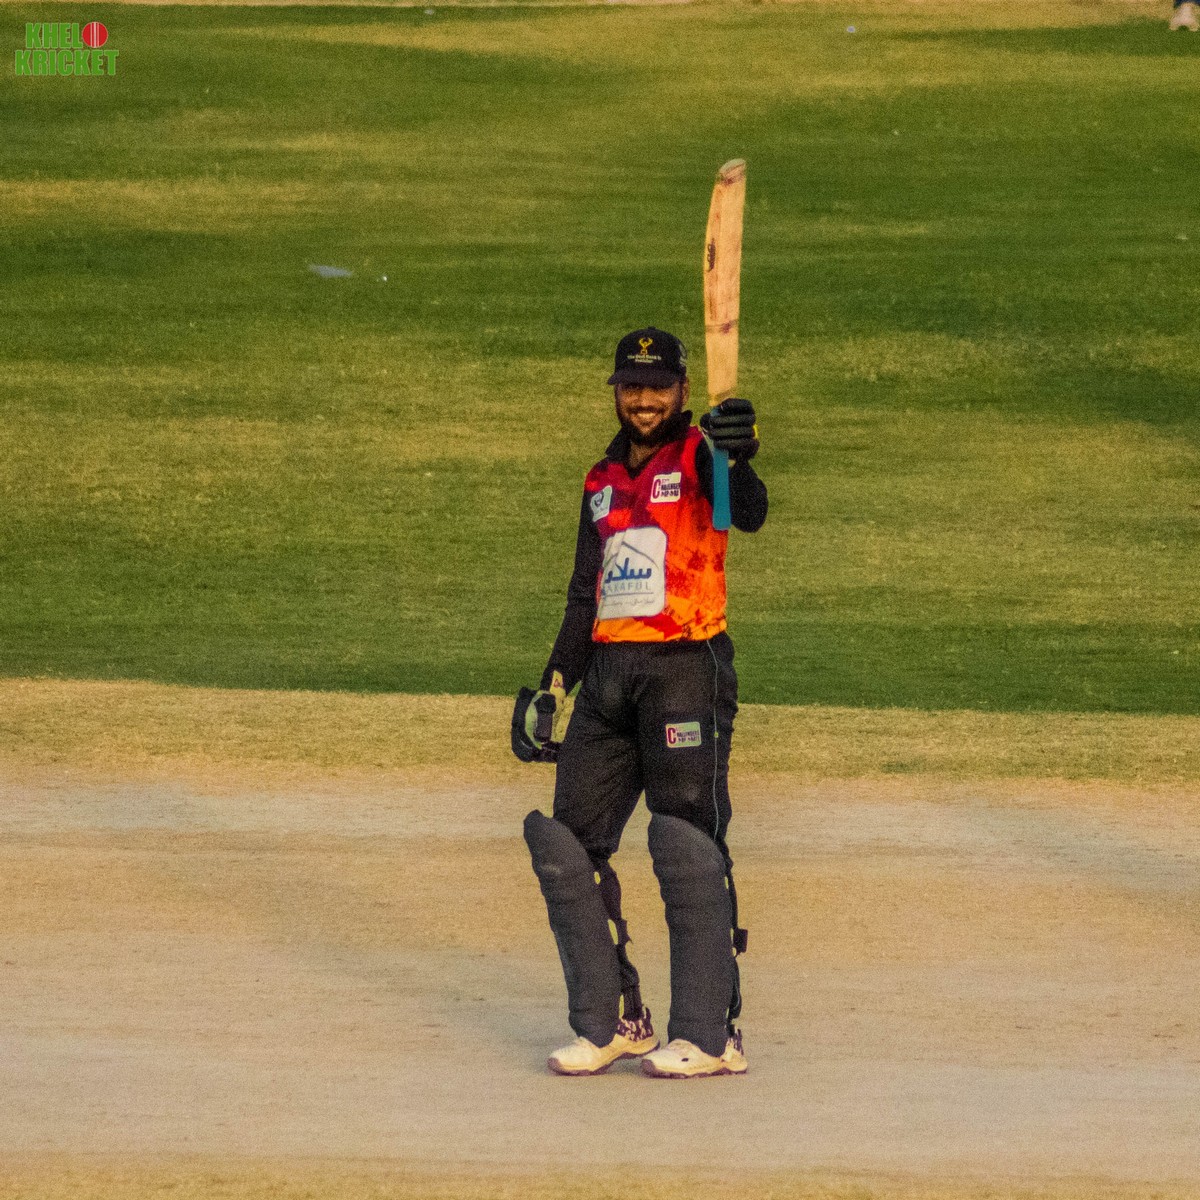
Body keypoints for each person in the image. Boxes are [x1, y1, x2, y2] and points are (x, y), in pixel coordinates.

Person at [511, 327, 767, 1079]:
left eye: (657, 387)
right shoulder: (599, 479)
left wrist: (739, 457)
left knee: (686, 841)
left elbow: (748, 513)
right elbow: (583, 590)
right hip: (608, 678)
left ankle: (712, 1036)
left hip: (686, 666)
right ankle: (613, 1022)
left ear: (682, 391)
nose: (644, 400)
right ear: (616, 392)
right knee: (569, 845)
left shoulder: (701, 457)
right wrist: (554, 684)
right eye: (631, 386)